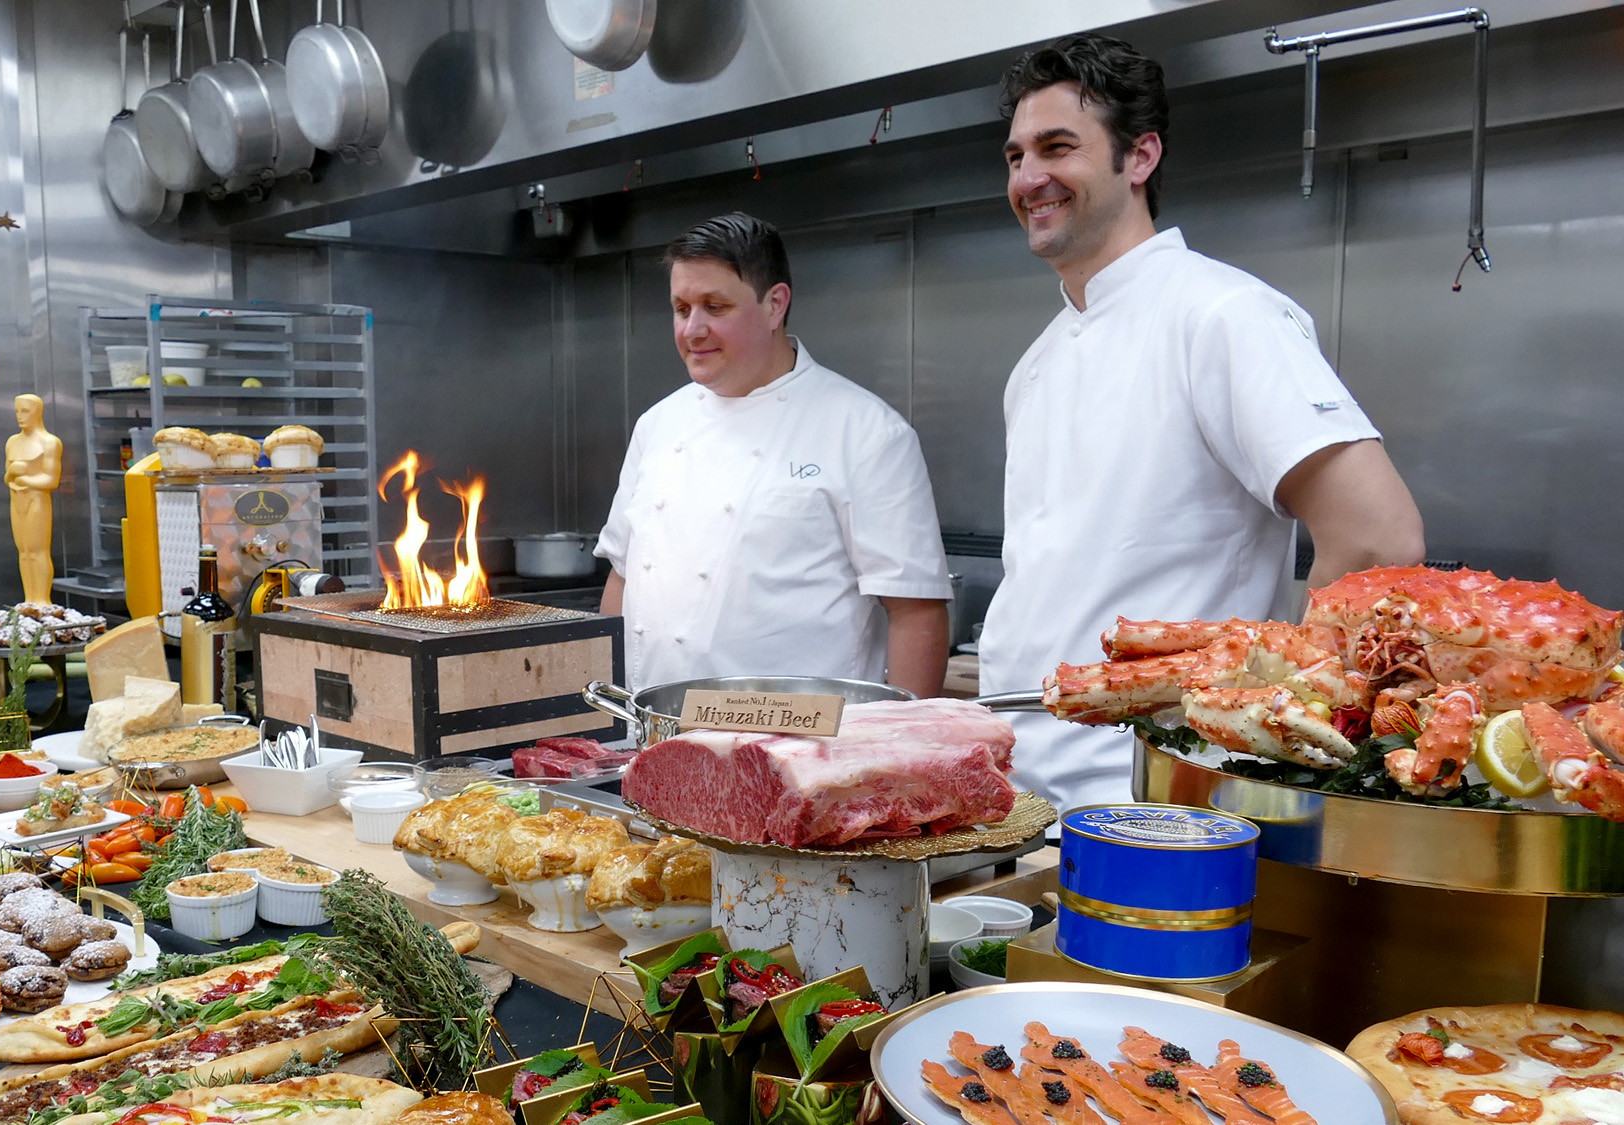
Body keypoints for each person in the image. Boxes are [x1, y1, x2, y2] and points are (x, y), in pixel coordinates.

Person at [979, 34, 1426, 812]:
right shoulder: (1035, 363)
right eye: (1016, 156)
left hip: (1161, 799)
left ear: (1140, 157)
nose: (1029, 177)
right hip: (1018, 792)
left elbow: (1379, 539)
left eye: (1058, 147)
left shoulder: (1222, 315)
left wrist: (1286, 701)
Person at [597, 213, 951, 698]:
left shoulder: (867, 432)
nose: (692, 329)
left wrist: (913, 750)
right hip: (655, 737)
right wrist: (610, 718)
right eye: (681, 309)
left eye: (714, 307)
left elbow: (915, 611)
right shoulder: (657, 424)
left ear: (774, 305)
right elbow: (622, 576)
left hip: (807, 752)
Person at [5, 393, 64, 604]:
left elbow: (51, 480)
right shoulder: (12, 442)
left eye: (25, 411)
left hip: (37, 501)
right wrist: (13, 472)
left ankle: (42, 600)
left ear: (37, 412)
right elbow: (7, 478)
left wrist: (25, 479)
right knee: (24, 552)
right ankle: (29, 599)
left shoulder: (49, 443)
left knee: (38, 551)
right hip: (17, 500)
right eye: (17, 411)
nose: (20, 416)